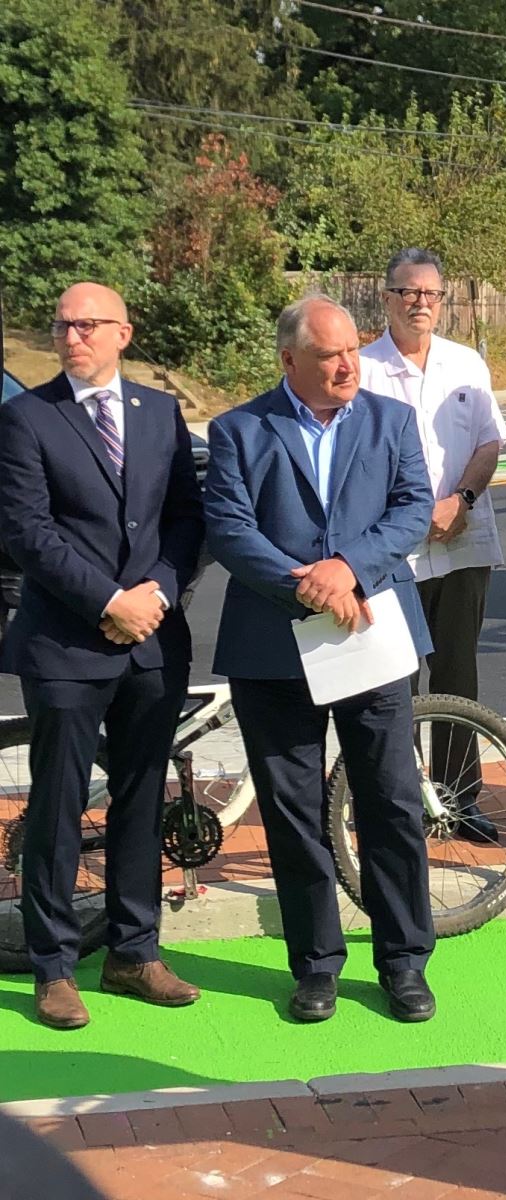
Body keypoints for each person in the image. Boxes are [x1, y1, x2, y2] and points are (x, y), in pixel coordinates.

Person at [204, 295, 438, 1023]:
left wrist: (348, 570)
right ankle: (314, 966)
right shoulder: (238, 429)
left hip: (370, 637)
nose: (346, 366)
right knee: (293, 811)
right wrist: (306, 585)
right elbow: (229, 529)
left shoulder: (390, 420)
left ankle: (404, 960)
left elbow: (412, 508)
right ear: (289, 360)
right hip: (274, 647)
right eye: (328, 355)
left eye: (351, 351)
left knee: (390, 800)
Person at [0, 283, 204, 1029]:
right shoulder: (26, 417)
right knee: (57, 805)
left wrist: (159, 591)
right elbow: (26, 531)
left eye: (87, 325)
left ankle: (134, 952)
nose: (71, 337)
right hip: (66, 643)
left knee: (142, 797)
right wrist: (108, 602)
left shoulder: (159, 412)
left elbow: (186, 516)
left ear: (123, 332)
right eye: (62, 325)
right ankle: (54, 966)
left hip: (153, 642)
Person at [358, 248, 506, 843]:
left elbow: (490, 443)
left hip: (463, 543)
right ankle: (398, 803)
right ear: (387, 298)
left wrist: (461, 500)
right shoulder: (363, 370)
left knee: (457, 675)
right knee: (396, 683)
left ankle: (458, 798)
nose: (420, 303)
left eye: (431, 294)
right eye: (409, 292)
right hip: (392, 554)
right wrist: (413, 516)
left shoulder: (466, 364)